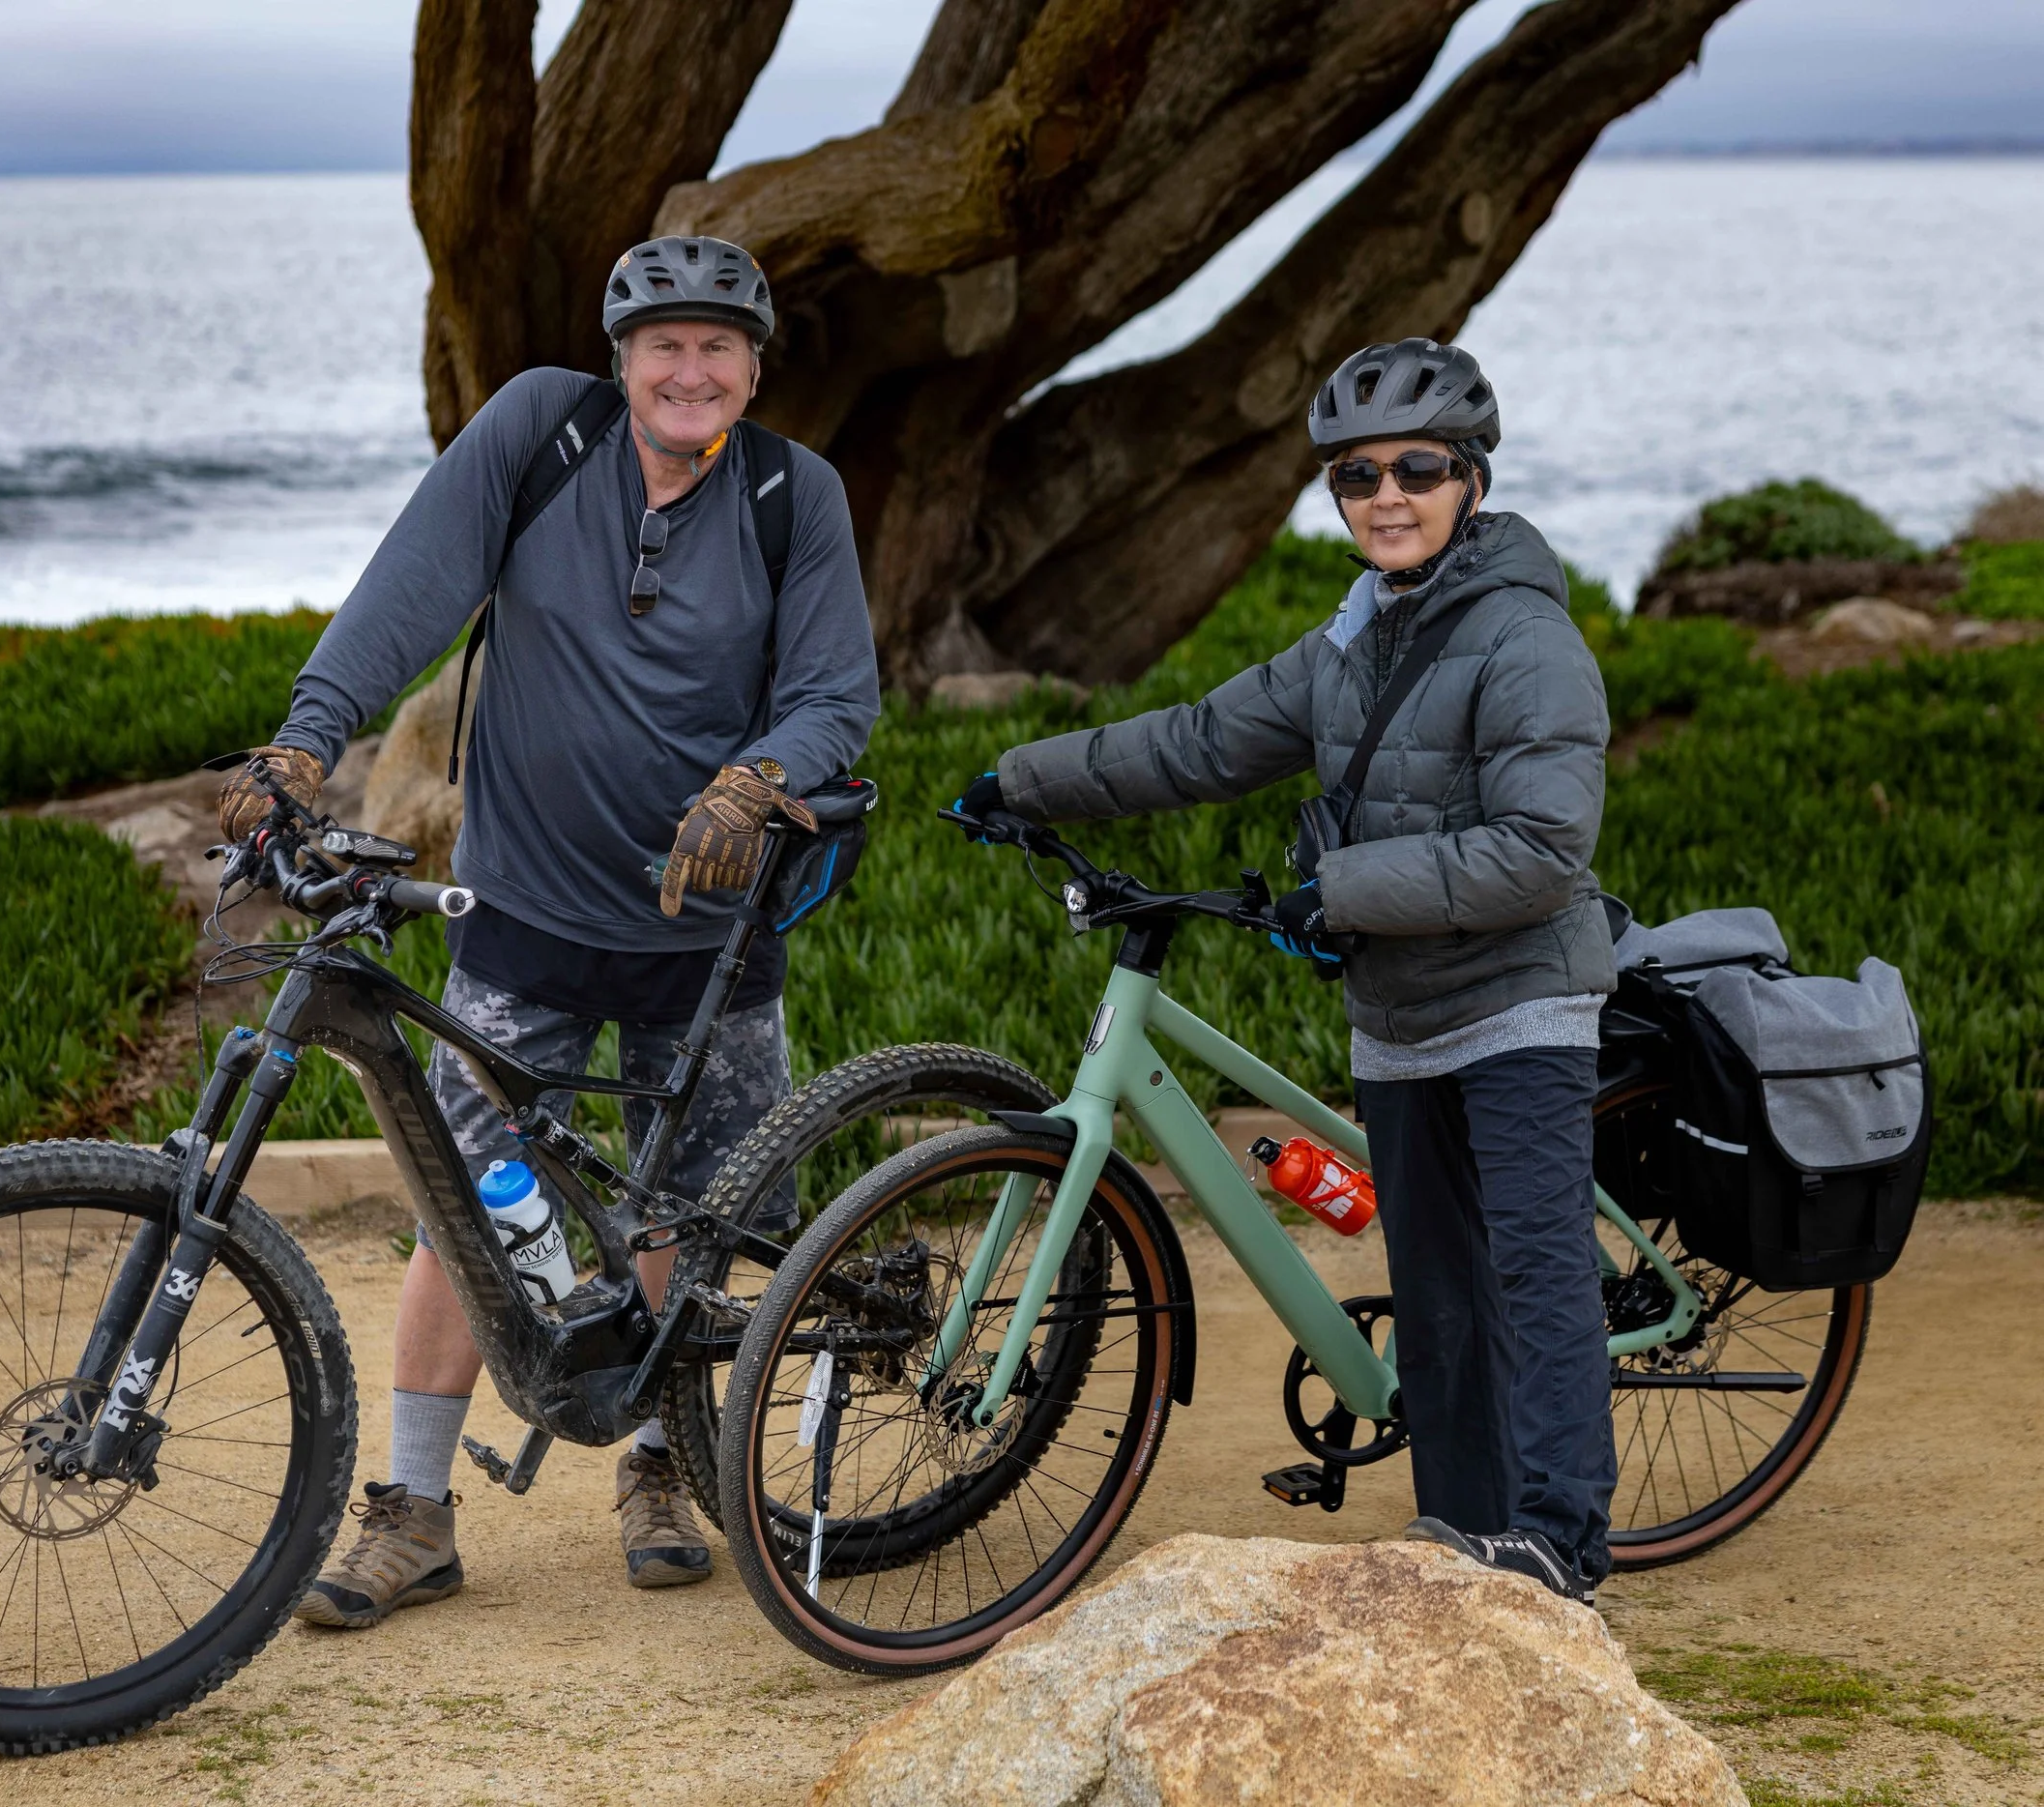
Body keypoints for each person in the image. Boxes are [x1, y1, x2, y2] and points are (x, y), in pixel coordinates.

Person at [219, 235, 879, 1625]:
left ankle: (660, 1463)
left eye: (718, 348)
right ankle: (412, 1512)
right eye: (664, 346)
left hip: (709, 932)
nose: (688, 370)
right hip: (521, 908)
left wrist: (757, 782)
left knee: (694, 1211)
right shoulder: (539, 429)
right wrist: (301, 746)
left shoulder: (790, 495)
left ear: (753, 372)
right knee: (465, 1201)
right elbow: (407, 591)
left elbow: (836, 696)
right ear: (622, 358)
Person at [954, 338, 1617, 1603]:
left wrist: (1347, 891)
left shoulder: (1527, 644)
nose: (1386, 495)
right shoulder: (1348, 647)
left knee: (1532, 1280)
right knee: (1435, 1291)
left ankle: (1561, 1545)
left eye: (1417, 468)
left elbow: (1540, 852)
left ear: (1470, 478)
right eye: (1356, 475)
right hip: (1403, 1010)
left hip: (1521, 998)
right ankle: (1466, 1536)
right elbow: (1201, 741)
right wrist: (1024, 776)